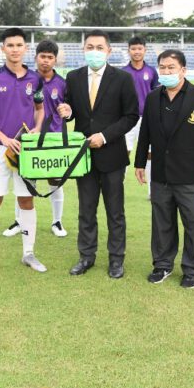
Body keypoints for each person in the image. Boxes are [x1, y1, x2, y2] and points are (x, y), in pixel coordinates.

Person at [57, 29, 139, 279]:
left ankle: (116, 259)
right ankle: (86, 256)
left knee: (115, 211)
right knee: (86, 209)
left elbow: (131, 116)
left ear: (109, 51)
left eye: (99, 47)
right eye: (90, 47)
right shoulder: (73, 77)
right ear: (83, 50)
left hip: (112, 154)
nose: (94, 51)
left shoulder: (122, 78)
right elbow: (73, 110)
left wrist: (104, 136)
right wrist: (67, 112)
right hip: (83, 156)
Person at [135, 50, 194, 289]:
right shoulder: (153, 97)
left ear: (183, 70)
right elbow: (145, 132)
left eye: (171, 67)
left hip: (189, 173)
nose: (166, 71)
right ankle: (162, 265)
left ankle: (193, 270)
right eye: (162, 67)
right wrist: (140, 162)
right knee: (162, 223)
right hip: (160, 172)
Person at [0, 27, 47, 275]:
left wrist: (37, 128)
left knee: (26, 199)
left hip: (26, 151)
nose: (15, 49)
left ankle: (29, 253)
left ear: (25, 48)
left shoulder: (35, 79)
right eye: (10, 45)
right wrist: (5, 139)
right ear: (3, 48)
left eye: (19, 45)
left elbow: (40, 109)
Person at [3, 39, 69, 238]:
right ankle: (19, 221)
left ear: (55, 60)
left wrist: (68, 112)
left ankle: (57, 221)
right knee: (25, 182)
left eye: (50, 57)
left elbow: (70, 110)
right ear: (36, 57)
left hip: (54, 139)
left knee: (55, 181)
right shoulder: (26, 79)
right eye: (42, 56)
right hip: (29, 138)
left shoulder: (63, 84)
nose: (46, 61)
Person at [123, 36, 160, 196]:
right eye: (133, 48)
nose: (136, 51)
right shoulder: (123, 72)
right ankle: (117, 188)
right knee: (124, 152)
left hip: (148, 119)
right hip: (128, 118)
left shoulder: (151, 71)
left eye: (139, 48)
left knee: (150, 154)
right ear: (129, 50)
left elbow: (157, 94)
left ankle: (152, 191)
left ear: (145, 50)